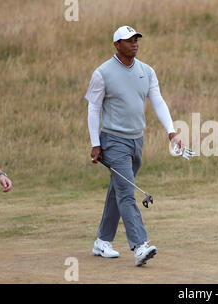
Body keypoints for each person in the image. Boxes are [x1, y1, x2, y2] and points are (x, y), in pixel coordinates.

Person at [85, 26, 194, 267]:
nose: (134, 43)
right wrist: (95, 143)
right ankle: (139, 246)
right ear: (116, 45)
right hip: (113, 141)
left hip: (137, 140)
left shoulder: (147, 71)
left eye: (136, 39)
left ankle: (102, 241)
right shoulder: (102, 73)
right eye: (128, 40)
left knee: (118, 188)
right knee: (126, 192)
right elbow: (93, 108)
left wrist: (172, 133)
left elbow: (158, 100)